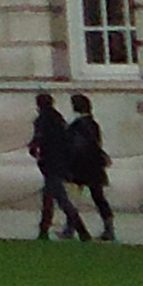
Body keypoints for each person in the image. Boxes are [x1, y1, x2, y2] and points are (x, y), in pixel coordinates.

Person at [27, 92, 89, 240]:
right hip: (60, 162)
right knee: (49, 197)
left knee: (60, 198)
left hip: (50, 163)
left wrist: (34, 148)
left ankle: (81, 230)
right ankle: (44, 229)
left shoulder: (42, 120)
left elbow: (38, 140)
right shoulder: (58, 119)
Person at [64, 94, 118, 241]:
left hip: (79, 165)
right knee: (98, 197)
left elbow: (75, 145)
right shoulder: (92, 124)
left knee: (73, 198)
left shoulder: (77, 125)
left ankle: (70, 228)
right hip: (93, 166)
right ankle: (109, 228)